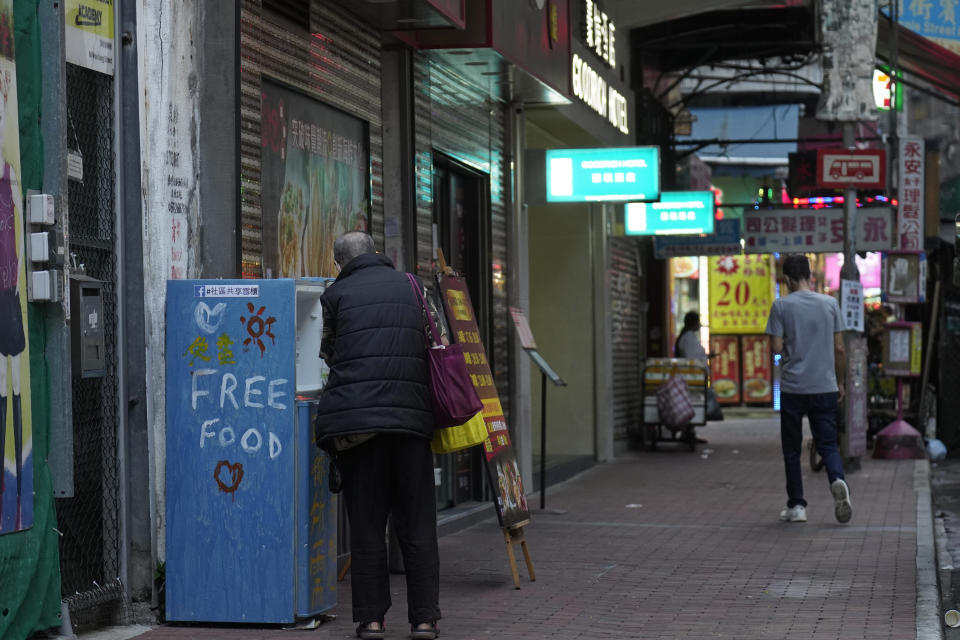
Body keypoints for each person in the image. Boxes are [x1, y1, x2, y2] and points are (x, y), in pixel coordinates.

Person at [314, 232, 441, 640]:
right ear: (375, 253)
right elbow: (435, 339)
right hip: (410, 422)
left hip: (358, 429)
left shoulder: (335, 295)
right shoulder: (413, 286)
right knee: (417, 524)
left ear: (339, 263)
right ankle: (424, 619)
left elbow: (330, 352)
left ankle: (371, 620)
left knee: (367, 524)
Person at [765, 254, 852, 524]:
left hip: (793, 388)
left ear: (788, 279)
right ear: (809, 276)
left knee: (791, 448)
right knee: (828, 444)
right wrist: (840, 382)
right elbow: (839, 348)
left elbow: (776, 348)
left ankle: (797, 506)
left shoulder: (781, 306)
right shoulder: (829, 304)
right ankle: (837, 479)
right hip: (824, 385)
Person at [0, 64, 25, 532]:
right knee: (10, 391)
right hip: (9, 297)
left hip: (10, 297)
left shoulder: (8, 183)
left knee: (13, 391)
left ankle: (15, 491)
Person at [675, 311, 722, 426]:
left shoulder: (687, 337)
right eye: (697, 322)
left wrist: (707, 356)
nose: (699, 325)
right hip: (692, 377)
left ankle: (689, 431)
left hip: (693, 376)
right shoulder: (688, 338)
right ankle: (688, 430)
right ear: (693, 323)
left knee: (692, 403)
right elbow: (692, 358)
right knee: (694, 403)